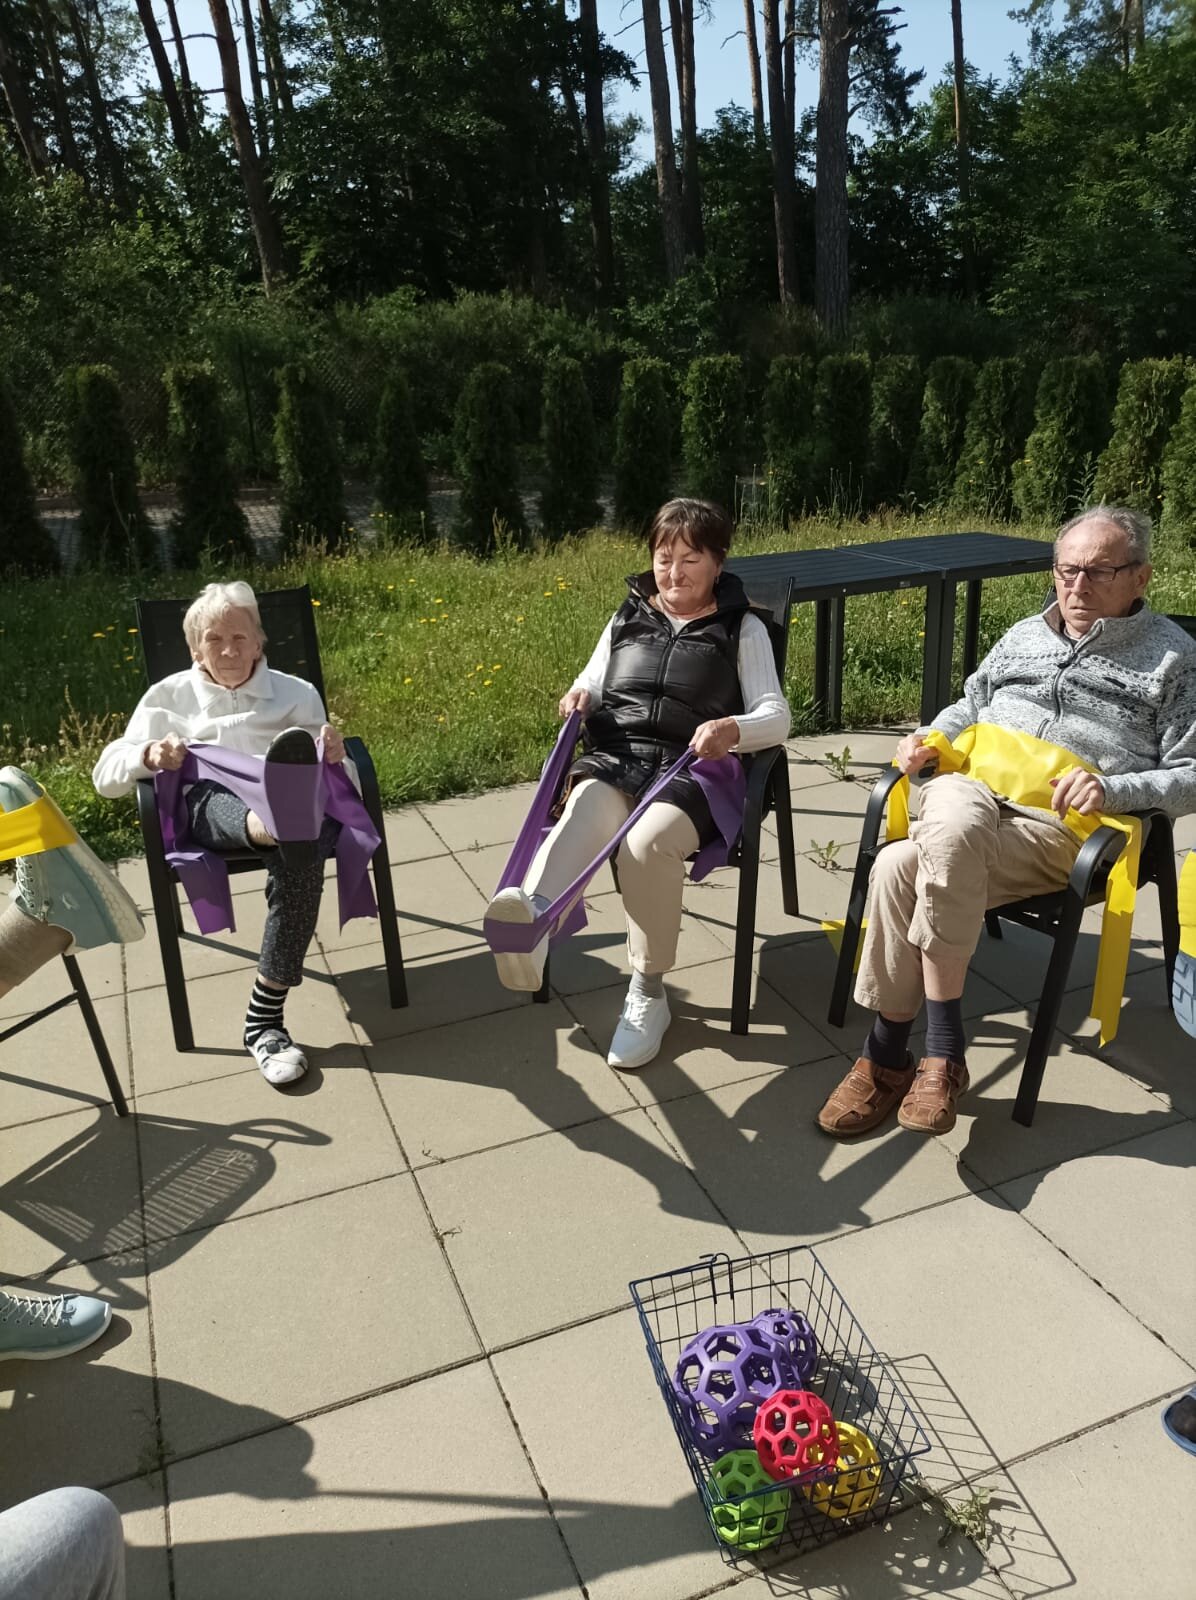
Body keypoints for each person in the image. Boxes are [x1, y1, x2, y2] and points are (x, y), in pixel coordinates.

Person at [817, 504, 1196, 1138]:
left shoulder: (1174, 660)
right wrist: (930, 739)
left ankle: (890, 1053)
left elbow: (1190, 774)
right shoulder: (1023, 634)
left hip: (1063, 826)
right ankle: (937, 1055)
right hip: (972, 794)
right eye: (1066, 570)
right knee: (944, 824)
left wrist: (1112, 789)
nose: (1077, 586)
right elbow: (968, 705)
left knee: (900, 864)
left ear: (1141, 576)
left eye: (1099, 572)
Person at [486, 498, 791, 1070]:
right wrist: (580, 695)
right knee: (585, 807)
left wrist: (732, 728)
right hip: (619, 754)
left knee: (644, 844)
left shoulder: (742, 628)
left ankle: (648, 992)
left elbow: (776, 716)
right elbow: (593, 679)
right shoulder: (627, 616)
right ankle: (534, 921)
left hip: (693, 769)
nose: (674, 573)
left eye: (690, 560)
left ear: (718, 563)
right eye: (664, 558)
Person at [93, 581, 348, 1086]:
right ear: (195, 649)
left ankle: (262, 1021)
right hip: (211, 805)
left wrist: (336, 757)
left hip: (291, 796)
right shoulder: (165, 698)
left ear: (259, 643)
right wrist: (149, 756)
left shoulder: (297, 695)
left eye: (239, 637)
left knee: (301, 845)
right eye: (214, 639)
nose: (228, 650)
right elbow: (105, 776)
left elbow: (341, 777)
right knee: (285, 827)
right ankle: (275, 825)